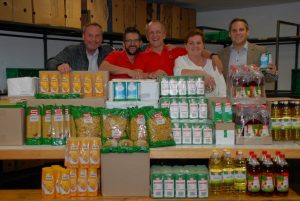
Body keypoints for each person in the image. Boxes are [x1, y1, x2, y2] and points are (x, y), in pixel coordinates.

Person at [135, 20, 223, 79]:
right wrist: (150, 74)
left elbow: (197, 50)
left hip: (176, 99)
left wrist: (213, 56)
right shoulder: (141, 56)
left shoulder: (176, 51)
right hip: (153, 97)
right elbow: (137, 75)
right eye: (151, 32)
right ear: (147, 37)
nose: (155, 35)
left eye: (158, 32)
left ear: (164, 35)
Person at [174, 29, 226, 97]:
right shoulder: (181, 60)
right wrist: (201, 74)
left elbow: (222, 91)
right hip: (190, 105)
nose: (195, 46)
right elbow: (178, 74)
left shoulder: (213, 63)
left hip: (213, 105)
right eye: (191, 43)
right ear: (186, 46)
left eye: (198, 43)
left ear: (203, 45)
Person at [46, 22, 113, 73]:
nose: (94, 39)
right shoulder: (71, 51)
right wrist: (59, 65)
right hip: (78, 90)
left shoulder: (107, 52)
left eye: (97, 36)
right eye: (90, 35)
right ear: (83, 37)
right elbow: (50, 63)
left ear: (102, 38)